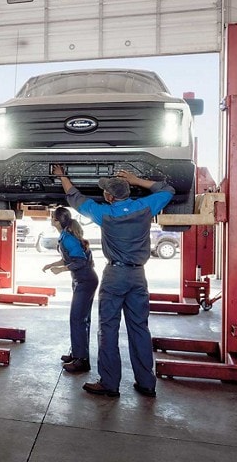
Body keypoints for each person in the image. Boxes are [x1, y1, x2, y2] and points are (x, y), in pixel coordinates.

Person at [52, 165, 174, 398]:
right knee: (139, 327)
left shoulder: (105, 213)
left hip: (115, 275)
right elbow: (167, 189)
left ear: (109, 196)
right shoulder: (145, 207)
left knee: (108, 328)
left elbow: (76, 198)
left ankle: (109, 383)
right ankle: (146, 383)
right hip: (139, 275)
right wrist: (137, 180)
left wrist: (62, 176)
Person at [42, 206, 98, 373]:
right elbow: (69, 257)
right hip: (82, 280)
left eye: (52, 217)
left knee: (77, 319)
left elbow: (80, 261)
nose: (51, 219)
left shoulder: (68, 238)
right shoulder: (65, 235)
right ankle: (78, 353)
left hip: (85, 280)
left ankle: (81, 360)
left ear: (57, 221)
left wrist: (61, 269)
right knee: (82, 319)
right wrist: (53, 264)